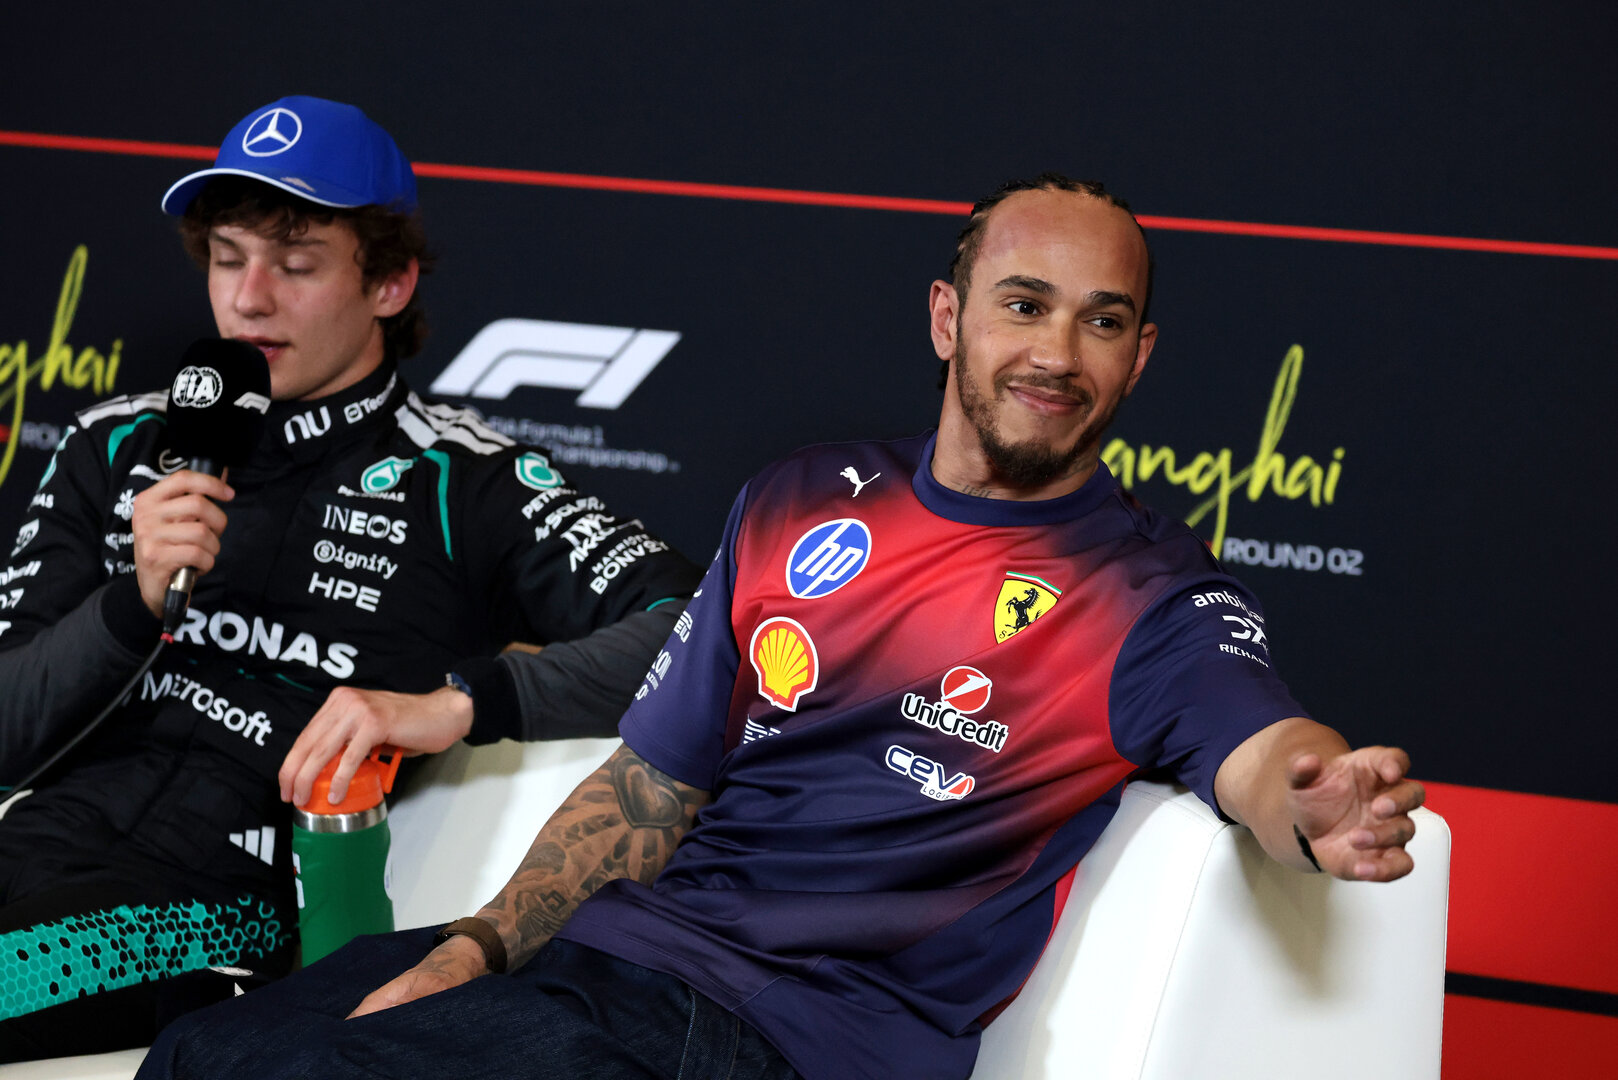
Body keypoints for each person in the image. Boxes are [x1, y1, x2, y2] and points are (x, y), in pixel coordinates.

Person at [138, 174, 1425, 1080]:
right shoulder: (803, 495)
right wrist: (480, 943)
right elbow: (651, 783)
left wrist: (1310, 801)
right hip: (603, 973)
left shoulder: (1149, 596)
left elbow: (1262, 744)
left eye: (1102, 322)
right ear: (948, 317)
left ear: (1140, 358)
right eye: (1024, 304)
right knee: (206, 1052)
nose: (1057, 354)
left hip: (778, 1040)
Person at [0, 96, 700, 1061]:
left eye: (294, 264)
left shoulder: (465, 479)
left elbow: (705, 628)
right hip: (37, 842)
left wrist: (463, 702)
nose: (248, 299)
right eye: (227, 258)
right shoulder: (114, 442)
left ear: (390, 282)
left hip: (233, 908)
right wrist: (131, 602)